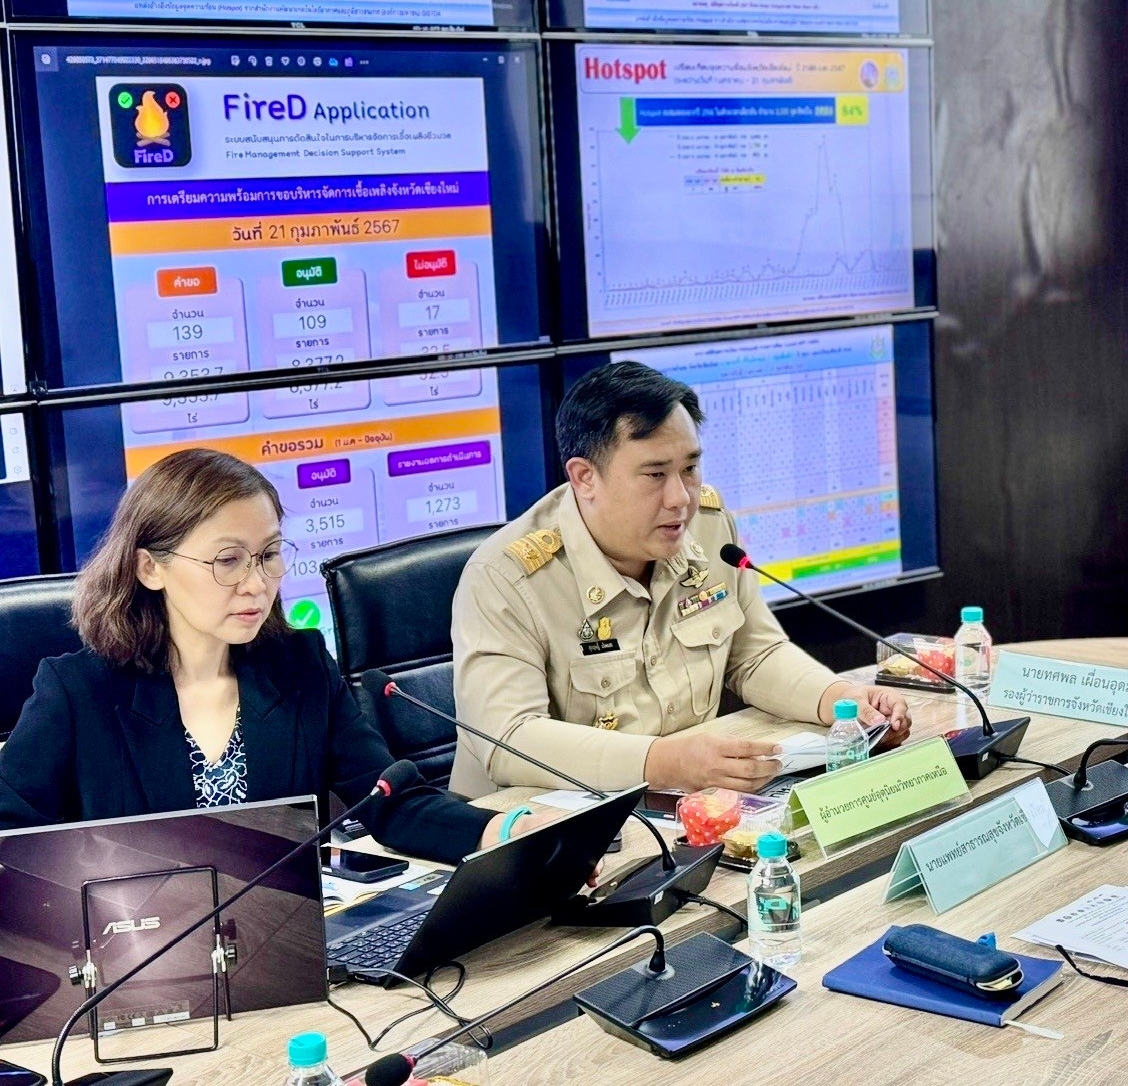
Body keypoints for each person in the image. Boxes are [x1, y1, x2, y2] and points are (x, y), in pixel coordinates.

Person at [0, 449, 546, 862]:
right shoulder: (79, 693)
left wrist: (505, 831)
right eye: (228, 560)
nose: (257, 583)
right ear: (150, 568)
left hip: (293, 944)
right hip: (138, 957)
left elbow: (388, 799)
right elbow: (11, 840)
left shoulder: (301, 666)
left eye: (268, 555)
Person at [450, 360, 913, 799]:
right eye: (655, 474)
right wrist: (665, 762)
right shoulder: (507, 577)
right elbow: (509, 739)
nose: (681, 499)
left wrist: (840, 702)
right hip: (536, 825)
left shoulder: (708, 526)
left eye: (689, 469)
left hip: (678, 803)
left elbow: (755, 654)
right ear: (585, 477)